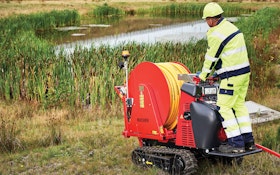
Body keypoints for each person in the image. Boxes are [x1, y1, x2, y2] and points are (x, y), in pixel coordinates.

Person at [199, 2, 256, 153]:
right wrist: (218, 73)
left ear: (212, 19)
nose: (207, 23)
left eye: (206, 20)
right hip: (243, 74)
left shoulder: (216, 33)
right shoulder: (231, 27)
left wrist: (203, 76)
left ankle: (236, 144)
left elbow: (211, 58)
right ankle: (248, 141)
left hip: (232, 77)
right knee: (239, 106)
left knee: (223, 107)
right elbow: (230, 56)